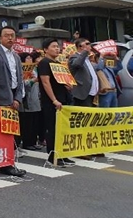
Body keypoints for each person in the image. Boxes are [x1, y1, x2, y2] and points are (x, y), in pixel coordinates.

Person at [0, 26, 26, 177]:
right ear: (0, 38)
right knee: (5, 134)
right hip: (1, 99)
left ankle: (8, 163)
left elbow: (20, 79)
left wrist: (18, 98)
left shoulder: (16, 56)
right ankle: (7, 164)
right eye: (6, 35)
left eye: (12, 35)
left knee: (12, 132)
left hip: (14, 97)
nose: (10, 38)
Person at [38, 39, 76, 167]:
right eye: (53, 46)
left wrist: (67, 85)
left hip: (63, 99)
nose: (57, 48)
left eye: (57, 46)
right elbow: (45, 82)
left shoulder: (58, 63)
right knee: (53, 129)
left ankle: (63, 155)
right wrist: (54, 100)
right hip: (51, 102)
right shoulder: (44, 63)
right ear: (45, 49)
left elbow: (60, 80)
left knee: (62, 129)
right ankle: (52, 156)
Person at [20, 52, 43, 150]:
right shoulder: (22, 69)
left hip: (36, 96)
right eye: (27, 58)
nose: (29, 60)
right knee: (28, 122)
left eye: (30, 58)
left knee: (35, 121)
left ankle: (33, 141)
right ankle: (27, 142)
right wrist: (32, 80)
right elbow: (22, 83)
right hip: (27, 98)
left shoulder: (34, 68)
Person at [68, 38, 98, 108]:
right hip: (83, 94)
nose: (89, 46)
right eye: (87, 44)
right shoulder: (74, 57)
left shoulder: (88, 59)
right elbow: (77, 64)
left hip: (93, 93)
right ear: (80, 46)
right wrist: (85, 51)